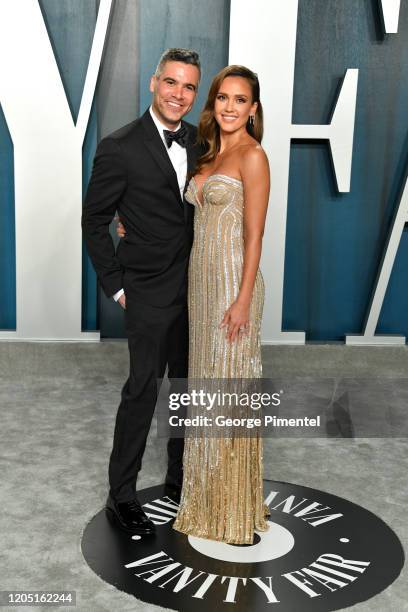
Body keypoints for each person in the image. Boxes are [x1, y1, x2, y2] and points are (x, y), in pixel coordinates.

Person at [82, 48, 201, 535]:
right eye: (171, 82)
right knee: (142, 391)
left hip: (195, 287)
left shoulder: (203, 140)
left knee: (186, 389)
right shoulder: (120, 145)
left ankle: (178, 478)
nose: (179, 94)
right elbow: (95, 221)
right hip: (146, 290)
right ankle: (122, 495)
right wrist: (116, 287)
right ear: (154, 83)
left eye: (189, 86)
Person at [171, 65, 270, 544]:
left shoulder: (253, 156)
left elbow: (255, 236)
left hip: (233, 287)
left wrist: (244, 299)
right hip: (201, 285)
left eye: (240, 99)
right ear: (214, 104)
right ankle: (206, 504)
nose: (230, 107)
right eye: (223, 98)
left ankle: (232, 510)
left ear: (253, 108)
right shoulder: (208, 152)